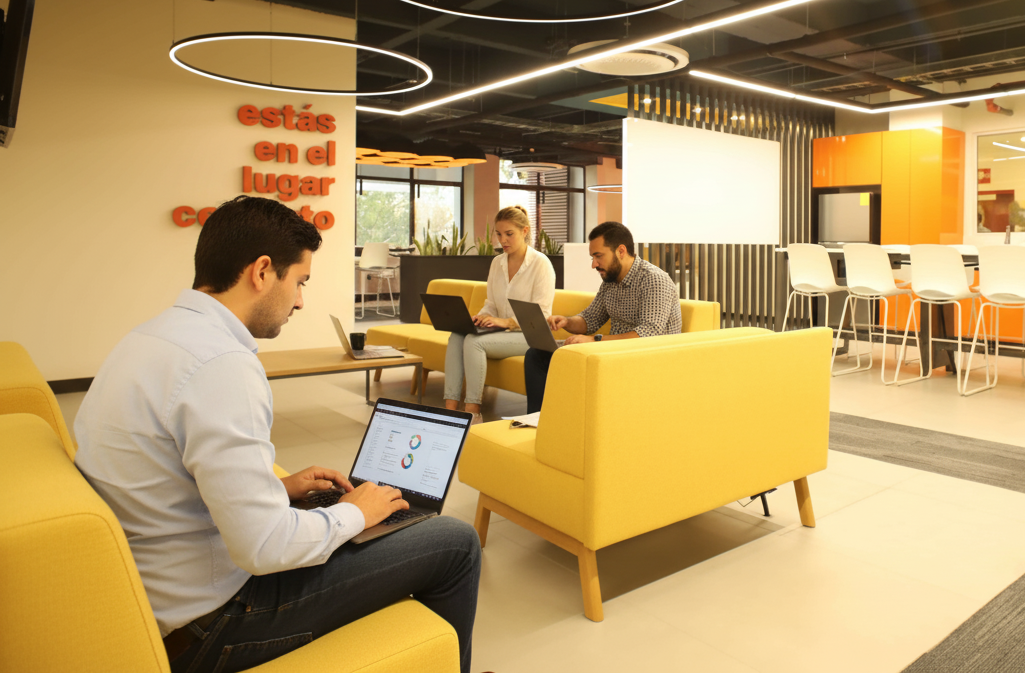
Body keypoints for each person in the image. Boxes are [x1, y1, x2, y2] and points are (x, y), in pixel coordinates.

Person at [73, 196, 480, 673]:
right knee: (456, 542)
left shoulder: (150, 336)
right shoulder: (222, 365)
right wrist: (355, 512)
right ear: (263, 272)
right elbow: (265, 547)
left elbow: (168, 478)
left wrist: (278, 489)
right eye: (300, 282)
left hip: (153, 594)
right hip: (211, 624)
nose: (301, 301)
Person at [523, 221, 680, 412]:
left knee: (570, 360)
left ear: (621, 251)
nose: (594, 264)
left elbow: (648, 335)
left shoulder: (653, 279)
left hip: (647, 359)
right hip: (613, 354)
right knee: (537, 355)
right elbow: (590, 319)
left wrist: (594, 341)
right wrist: (566, 321)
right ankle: (537, 420)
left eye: (598, 256)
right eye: (593, 257)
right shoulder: (610, 281)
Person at [444, 205, 555, 421]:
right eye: (499, 234)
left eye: (509, 234)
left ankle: (472, 414)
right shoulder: (497, 263)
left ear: (524, 231)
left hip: (530, 336)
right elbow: (491, 304)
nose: (502, 240)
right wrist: (482, 316)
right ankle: (449, 412)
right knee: (457, 335)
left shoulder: (541, 264)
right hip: (502, 332)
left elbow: (542, 314)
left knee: (473, 342)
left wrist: (507, 322)